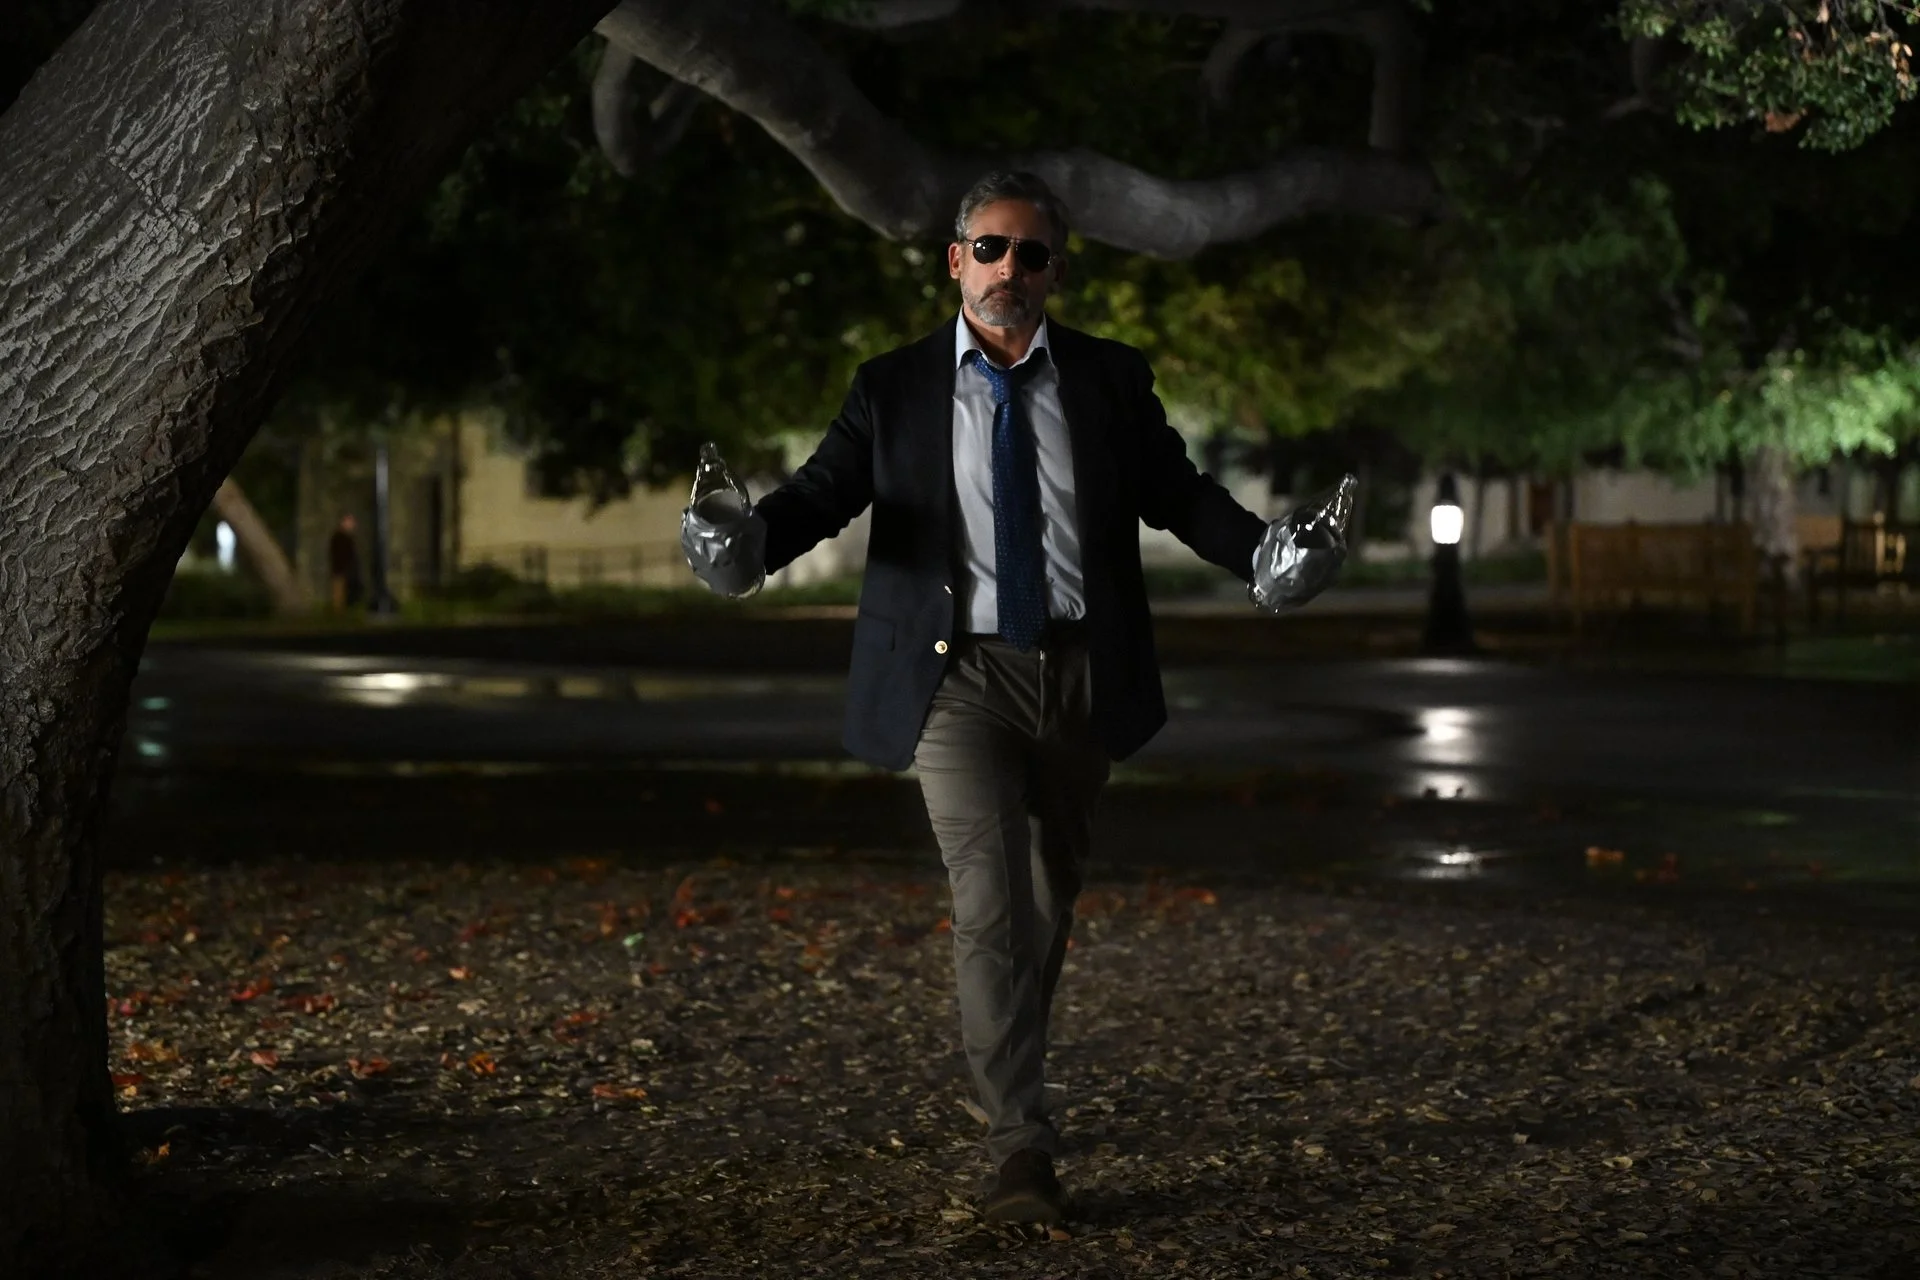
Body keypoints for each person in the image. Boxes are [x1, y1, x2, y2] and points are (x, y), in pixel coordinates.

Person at [682, 171, 1347, 1224]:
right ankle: (1020, 1144)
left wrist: (1266, 554)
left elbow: (1179, 495)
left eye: (1032, 253)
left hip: (1082, 673)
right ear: (956, 261)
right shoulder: (893, 386)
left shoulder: (1110, 379)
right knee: (990, 902)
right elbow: (819, 495)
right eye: (990, 248)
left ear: (1055, 272)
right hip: (957, 679)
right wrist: (744, 543)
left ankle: (1004, 1069)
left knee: (1044, 901)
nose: (1009, 269)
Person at [327, 512, 363, 610]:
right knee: (339, 594)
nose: (352, 525)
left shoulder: (346, 537)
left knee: (344, 594)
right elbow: (340, 554)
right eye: (349, 522)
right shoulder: (339, 537)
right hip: (340, 570)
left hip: (345, 570)